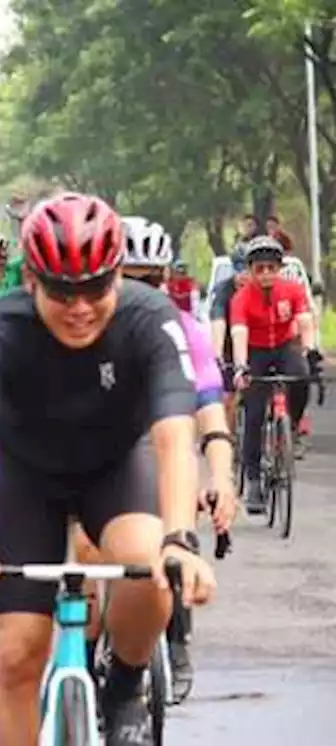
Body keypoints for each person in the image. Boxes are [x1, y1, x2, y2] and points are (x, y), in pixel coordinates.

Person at [0, 193, 216, 746]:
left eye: (95, 288)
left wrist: (181, 538)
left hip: (113, 466)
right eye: (63, 291)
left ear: (116, 277)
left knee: (149, 561)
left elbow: (173, 435)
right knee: (17, 653)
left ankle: (126, 684)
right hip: (26, 479)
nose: (80, 307)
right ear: (32, 281)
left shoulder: (149, 318)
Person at [71, 215, 235, 703]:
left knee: (174, 538)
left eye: (155, 280)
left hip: (163, 450)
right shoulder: (81, 328)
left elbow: (210, 412)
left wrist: (222, 477)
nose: (148, 292)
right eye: (134, 279)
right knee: (86, 554)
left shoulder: (186, 330)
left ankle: (176, 636)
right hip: (99, 456)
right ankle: (87, 655)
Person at [229, 234, 321, 514]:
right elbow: (239, 333)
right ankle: (254, 479)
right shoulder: (242, 298)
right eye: (259, 269)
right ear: (251, 271)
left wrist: (310, 349)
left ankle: (289, 425)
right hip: (256, 352)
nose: (266, 274)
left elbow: (304, 320)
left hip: (282, 347)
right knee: (254, 413)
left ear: (279, 268)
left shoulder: (292, 290)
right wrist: (241, 365)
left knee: (302, 375)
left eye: (271, 267)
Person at [209, 243, 250, 416]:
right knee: (228, 399)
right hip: (228, 342)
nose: (243, 276)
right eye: (239, 269)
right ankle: (229, 439)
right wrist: (217, 355)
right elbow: (218, 321)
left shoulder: (264, 288)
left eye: (248, 269)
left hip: (256, 341)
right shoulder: (223, 291)